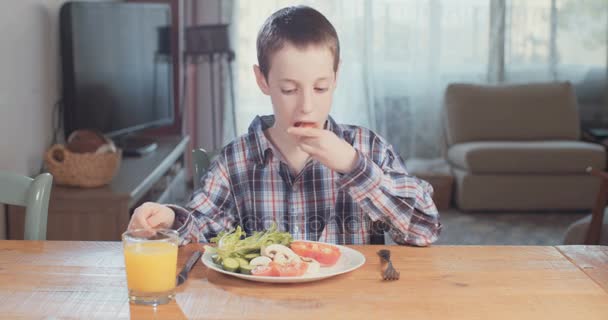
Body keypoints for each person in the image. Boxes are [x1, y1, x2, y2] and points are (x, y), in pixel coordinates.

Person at [127, 5, 441, 246]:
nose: (306, 105)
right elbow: (200, 225)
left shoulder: (368, 148)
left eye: (320, 88)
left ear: (337, 76)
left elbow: (424, 229)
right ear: (262, 80)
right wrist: (169, 218)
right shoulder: (236, 160)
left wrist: (352, 165)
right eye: (289, 89)